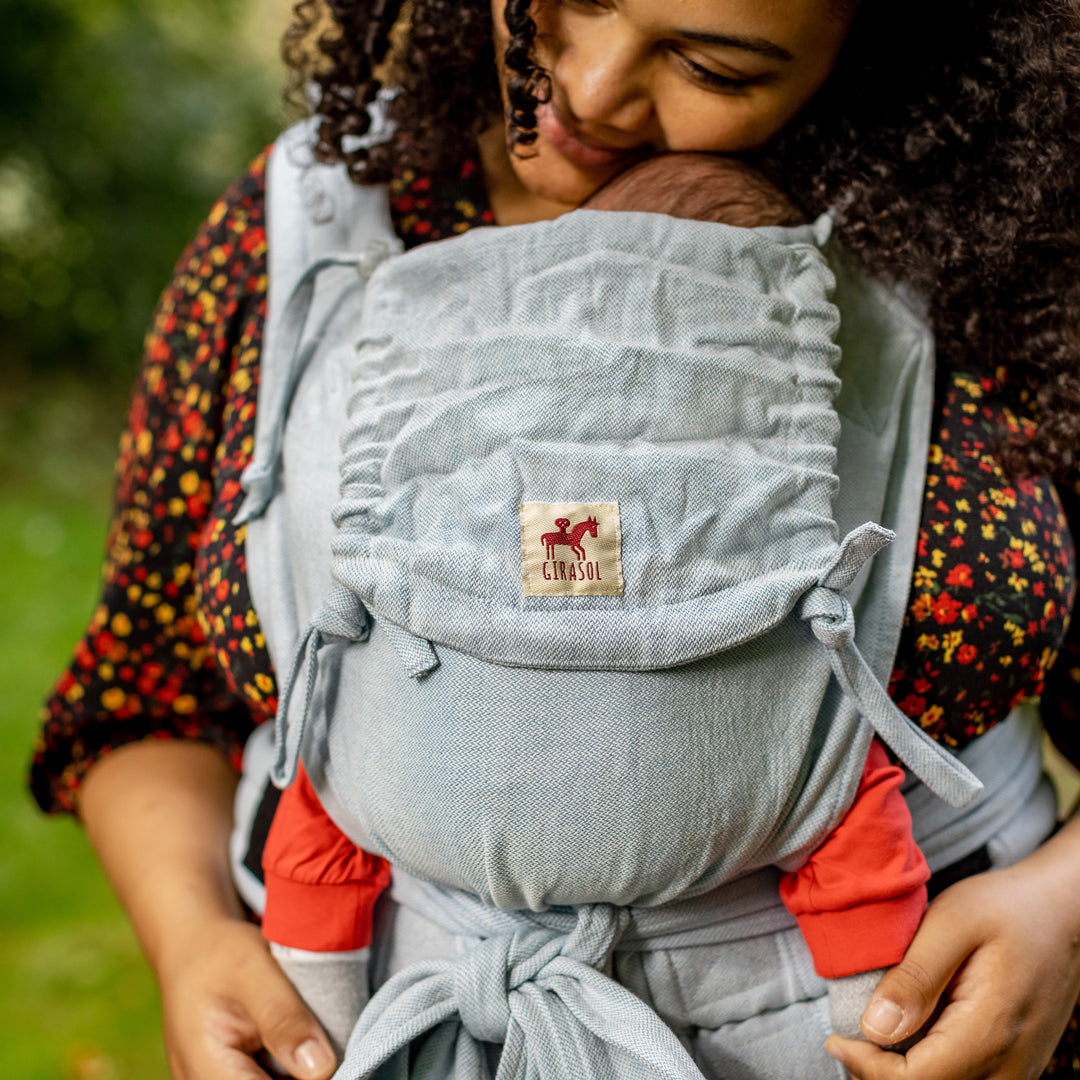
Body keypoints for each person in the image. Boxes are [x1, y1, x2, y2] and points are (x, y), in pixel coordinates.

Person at [29, 0, 1080, 1077]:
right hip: (356, 1016)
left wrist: (1064, 916)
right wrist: (191, 941)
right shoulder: (311, 220)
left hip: (909, 1019)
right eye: (569, 1)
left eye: (711, 66)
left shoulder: (995, 232)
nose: (587, 85)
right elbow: (145, 689)